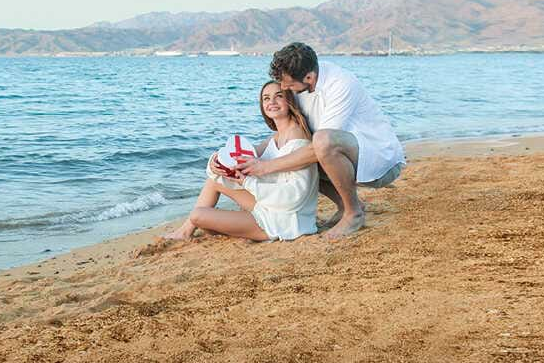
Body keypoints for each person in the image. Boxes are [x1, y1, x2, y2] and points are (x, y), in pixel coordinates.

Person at [236, 42, 405, 239]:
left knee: (322, 141)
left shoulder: (340, 84)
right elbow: (288, 135)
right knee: (302, 147)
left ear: (309, 77)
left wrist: (265, 167)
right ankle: (346, 205)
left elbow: (319, 147)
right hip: (346, 157)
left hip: (378, 161)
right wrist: (245, 155)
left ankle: (353, 214)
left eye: (288, 84)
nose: (284, 88)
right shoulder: (301, 81)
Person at [164, 81, 319, 242]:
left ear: (289, 100)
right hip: (272, 208)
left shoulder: (297, 139)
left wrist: (247, 183)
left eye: (278, 96)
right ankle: (185, 231)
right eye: (266, 98)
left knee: (198, 216)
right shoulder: (276, 138)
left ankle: (228, 228)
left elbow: (294, 197)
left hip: (285, 221)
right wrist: (215, 163)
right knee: (214, 181)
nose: (271, 102)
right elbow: (236, 159)